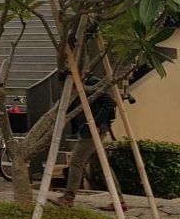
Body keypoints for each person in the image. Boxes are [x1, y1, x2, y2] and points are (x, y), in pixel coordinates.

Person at [51, 77, 125, 211]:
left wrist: (94, 123)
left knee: (76, 161)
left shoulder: (90, 83)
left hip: (93, 131)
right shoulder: (76, 85)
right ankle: (119, 200)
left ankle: (68, 198)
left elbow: (109, 103)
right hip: (88, 130)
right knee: (102, 166)